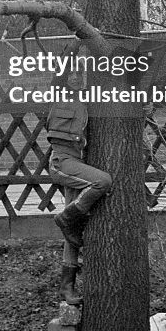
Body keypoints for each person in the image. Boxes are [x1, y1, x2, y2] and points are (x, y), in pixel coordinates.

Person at [46, 73, 112, 306]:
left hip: (78, 164)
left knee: (72, 234)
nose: (75, 78)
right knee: (102, 181)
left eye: (79, 74)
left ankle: (67, 286)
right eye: (70, 74)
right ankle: (66, 217)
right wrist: (81, 37)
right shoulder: (58, 94)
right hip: (63, 163)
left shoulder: (88, 101)